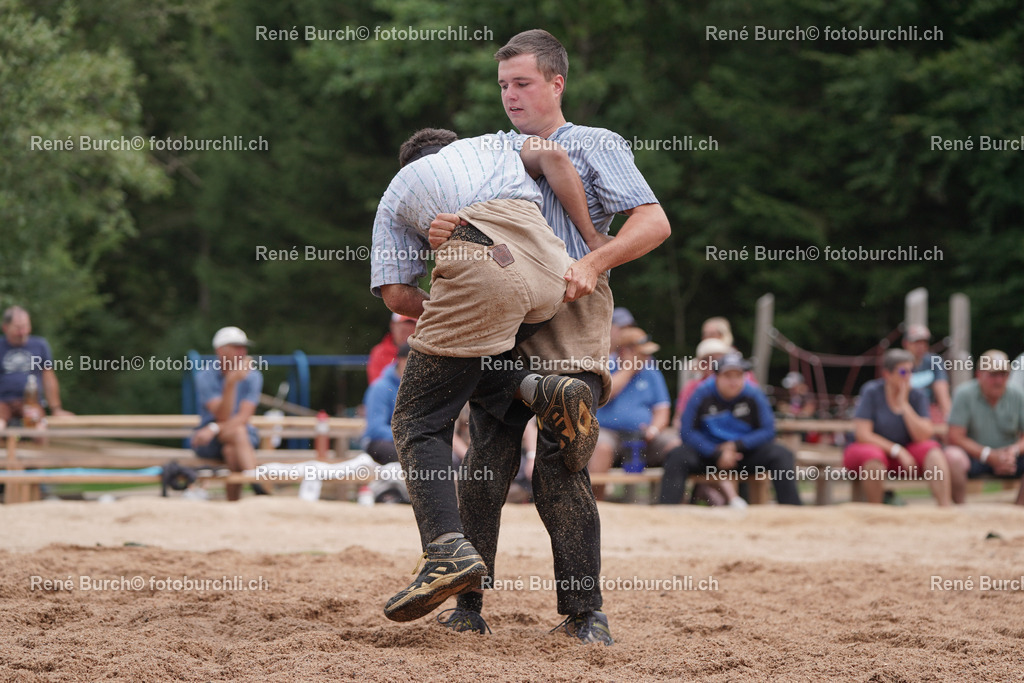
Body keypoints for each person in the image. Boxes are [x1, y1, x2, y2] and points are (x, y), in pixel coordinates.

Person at [428, 29, 670, 644]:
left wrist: (595, 262)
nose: (510, 94)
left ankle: (585, 613)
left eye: (524, 83)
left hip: (574, 310)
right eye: (504, 84)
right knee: (486, 462)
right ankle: (469, 605)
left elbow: (654, 221)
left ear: (557, 83)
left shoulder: (593, 143)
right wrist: (444, 232)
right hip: (503, 315)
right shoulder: (486, 152)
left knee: (562, 464)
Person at [373, 127, 607, 625]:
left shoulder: (401, 189)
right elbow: (555, 156)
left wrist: (443, 307)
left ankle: (449, 558)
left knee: (418, 421)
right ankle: (586, 616)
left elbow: (396, 294)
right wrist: (593, 244)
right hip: (556, 276)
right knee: (545, 454)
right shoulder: (494, 145)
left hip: (482, 268)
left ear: (409, 166)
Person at [660, 352, 802, 506]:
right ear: (717, 376)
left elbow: (768, 430)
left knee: (781, 454)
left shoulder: (754, 394)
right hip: (708, 456)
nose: (733, 381)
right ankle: (668, 510)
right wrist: (716, 452)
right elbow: (687, 432)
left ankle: (792, 510)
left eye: (738, 375)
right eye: (728, 376)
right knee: (677, 456)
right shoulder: (701, 394)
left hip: (744, 455)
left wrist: (737, 446)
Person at [842, 349, 953, 505]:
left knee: (934, 452)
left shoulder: (917, 395)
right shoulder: (872, 391)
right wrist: (897, 450)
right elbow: (863, 435)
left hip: (904, 455)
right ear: (887, 374)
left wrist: (904, 405)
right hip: (872, 452)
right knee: (873, 458)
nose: (908, 376)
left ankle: (945, 508)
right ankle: (876, 512)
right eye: (903, 371)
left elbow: (924, 435)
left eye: (911, 371)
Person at [589, 327, 678, 500]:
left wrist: (653, 430)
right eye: (642, 353)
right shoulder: (605, 365)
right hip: (609, 434)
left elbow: (662, 411)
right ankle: (595, 505)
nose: (647, 358)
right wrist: (628, 369)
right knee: (602, 447)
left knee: (675, 445)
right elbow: (603, 395)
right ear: (626, 351)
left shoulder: (651, 372)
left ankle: (669, 503)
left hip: (644, 436)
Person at [190, 326, 264, 502]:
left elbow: (242, 417)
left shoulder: (253, 376)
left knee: (233, 447)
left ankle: (235, 504)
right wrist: (231, 383)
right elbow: (224, 416)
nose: (243, 352)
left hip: (219, 435)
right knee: (238, 435)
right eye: (237, 347)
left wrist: (214, 428)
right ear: (220, 351)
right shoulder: (206, 376)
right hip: (210, 442)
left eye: (243, 347)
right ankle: (258, 486)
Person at [946, 350, 1024, 506]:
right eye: (993, 375)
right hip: (975, 457)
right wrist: (988, 455)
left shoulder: (1017, 395)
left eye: (1003, 375)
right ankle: (961, 510)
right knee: (952, 456)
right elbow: (954, 436)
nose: (999, 380)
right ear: (979, 375)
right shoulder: (964, 394)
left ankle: (1020, 512)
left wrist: (1013, 451)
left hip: (1009, 457)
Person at [0, 306, 73, 429]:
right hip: (2, 402)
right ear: (5, 328)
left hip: (31, 403)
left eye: (25, 327)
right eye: (18, 328)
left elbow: (48, 378)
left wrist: (56, 409)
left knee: (39, 428)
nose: (23, 332)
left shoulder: (39, 345)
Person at [361, 344, 409, 465]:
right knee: (410, 458)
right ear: (401, 361)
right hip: (380, 443)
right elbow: (375, 429)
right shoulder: (380, 388)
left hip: (406, 441)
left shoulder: (418, 388)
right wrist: (407, 436)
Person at [903, 324, 952, 423]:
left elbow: (942, 390)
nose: (921, 346)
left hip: (930, 409)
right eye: (917, 342)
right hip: (906, 410)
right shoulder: (899, 365)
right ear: (906, 343)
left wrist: (949, 417)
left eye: (924, 342)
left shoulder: (934, 361)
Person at [367, 313, 417, 384]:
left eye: (410, 332)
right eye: (403, 331)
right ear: (393, 325)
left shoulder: (422, 353)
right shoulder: (379, 353)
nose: (407, 336)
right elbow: (377, 386)